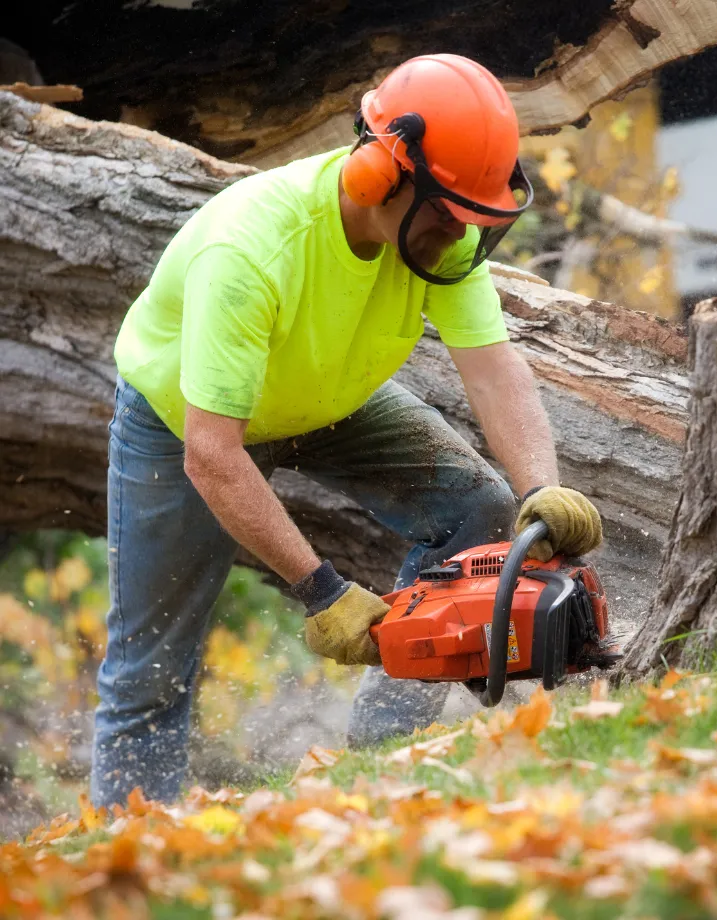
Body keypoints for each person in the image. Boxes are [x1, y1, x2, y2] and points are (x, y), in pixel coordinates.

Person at [92, 53, 603, 808]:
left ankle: (381, 769)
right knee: (149, 673)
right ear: (377, 175)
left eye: (473, 217)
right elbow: (213, 454)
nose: (460, 234)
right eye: (446, 213)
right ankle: (127, 858)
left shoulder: (443, 234)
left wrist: (542, 490)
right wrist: (322, 592)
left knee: (477, 509)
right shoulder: (251, 253)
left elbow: (495, 371)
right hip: (184, 427)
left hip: (328, 401)